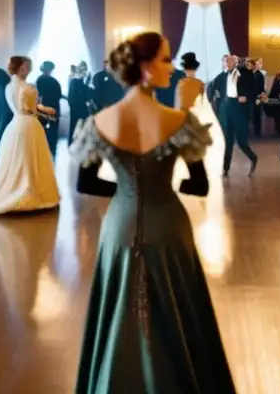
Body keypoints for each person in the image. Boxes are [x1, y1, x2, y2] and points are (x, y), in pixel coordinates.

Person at [70, 32, 235, 392]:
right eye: (164, 59)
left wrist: (128, 191)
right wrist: (159, 188)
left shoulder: (101, 121)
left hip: (119, 226)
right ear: (144, 68)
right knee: (179, 310)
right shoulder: (177, 121)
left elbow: (86, 183)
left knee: (117, 308)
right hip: (168, 225)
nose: (171, 67)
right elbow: (199, 185)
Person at [0, 56, 60, 215]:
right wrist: (44, 112)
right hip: (28, 124)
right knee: (29, 159)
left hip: (17, 124)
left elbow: (28, 107)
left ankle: (24, 188)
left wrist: (45, 111)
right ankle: (29, 191)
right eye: (27, 67)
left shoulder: (10, 86)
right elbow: (28, 109)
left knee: (22, 158)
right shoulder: (23, 86)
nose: (28, 70)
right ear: (21, 67)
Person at [217, 53, 258, 177]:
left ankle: (253, 158)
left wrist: (246, 97)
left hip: (238, 108)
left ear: (235, 62)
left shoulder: (245, 73)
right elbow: (212, 88)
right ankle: (225, 168)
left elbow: (254, 90)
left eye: (230, 61)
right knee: (227, 141)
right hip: (226, 108)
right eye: (225, 61)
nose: (227, 63)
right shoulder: (222, 76)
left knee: (241, 141)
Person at [35, 61, 63, 150]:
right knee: (52, 129)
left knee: (45, 128)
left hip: (43, 107)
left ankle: (45, 147)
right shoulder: (52, 80)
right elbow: (58, 94)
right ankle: (51, 147)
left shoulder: (39, 80)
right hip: (51, 107)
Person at [67, 64, 92, 144]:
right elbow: (84, 95)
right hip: (79, 109)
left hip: (75, 108)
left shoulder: (74, 81)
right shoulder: (76, 81)